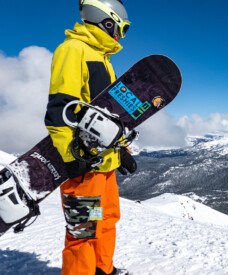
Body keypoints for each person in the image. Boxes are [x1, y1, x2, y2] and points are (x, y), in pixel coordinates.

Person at [44, 1, 134, 274]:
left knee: (106, 219)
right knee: (83, 232)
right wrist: (72, 157)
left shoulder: (103, 60)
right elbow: (60, 111)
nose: (121, 35)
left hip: (104, 165)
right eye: (122, 28)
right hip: (84, 166)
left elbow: (109, 117)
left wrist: (122, 153)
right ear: (107, 20)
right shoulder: (73, 50)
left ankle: (102, 270)